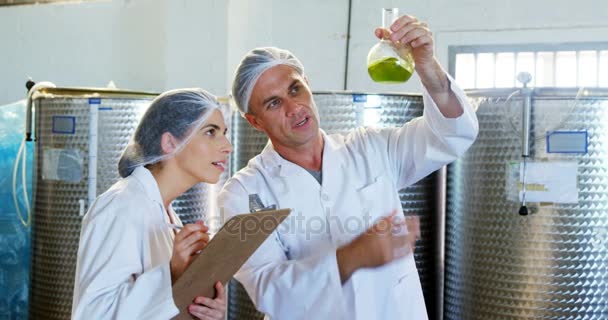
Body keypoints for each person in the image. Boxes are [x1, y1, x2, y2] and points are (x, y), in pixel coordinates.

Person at [218, 14, 479, 319]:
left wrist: (427, 67)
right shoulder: (243, 193)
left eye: (294, 89)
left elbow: (452, 135)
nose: (294, 108)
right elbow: (268, 290)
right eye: (273, 103)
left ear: (308, 86)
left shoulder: (370, 148)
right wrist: (351, 258)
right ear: (255, 122)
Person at [72, 89, 232, 319]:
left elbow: (158, 307)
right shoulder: (120, 206)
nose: (228, 146)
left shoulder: (166, 214)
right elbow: (95, 313)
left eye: (224, 132)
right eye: (210, 132)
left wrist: (201, 308)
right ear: (169, 142)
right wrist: (170, 273)